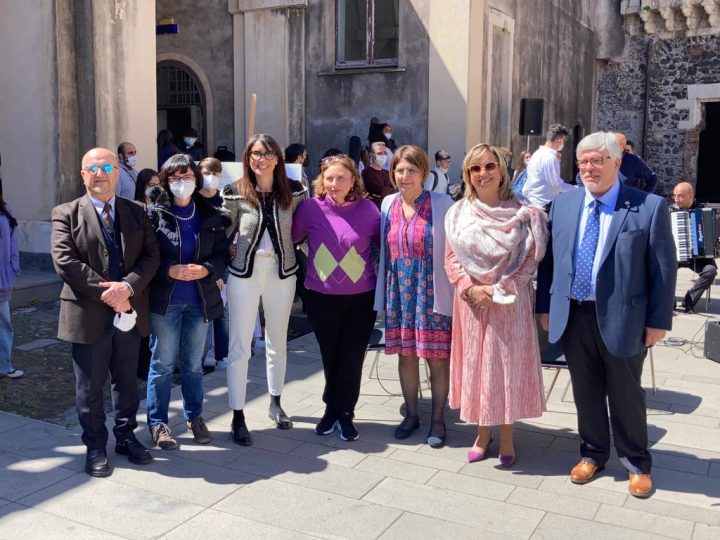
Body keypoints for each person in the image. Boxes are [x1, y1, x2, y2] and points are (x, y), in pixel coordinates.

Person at [536, 131, 677, 498]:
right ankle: (593, 453)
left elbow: (663, 268)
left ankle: (636, 462)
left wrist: (659, 320)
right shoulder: (563, 205)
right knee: (585, 390)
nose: (589, 168)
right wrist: (546, 306)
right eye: (583, 161)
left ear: (617, 162)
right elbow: (551, 262)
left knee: (626, 393)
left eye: (598, 160)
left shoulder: (647, 206)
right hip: (575, 315)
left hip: (625, 318)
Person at [51, 147, 161, 477]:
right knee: (90, 385)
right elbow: (65, 262)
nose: (100, 173)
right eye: (92, 168)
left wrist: (126, 288)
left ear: (117, 173)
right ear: (83, 175)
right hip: (88, 314)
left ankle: (126, 437)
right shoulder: (65, 213)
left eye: (106, 167)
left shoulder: (136, 212)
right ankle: (96, 445)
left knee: (127, 381)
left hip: (129, 310)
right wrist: (110, 293)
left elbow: (151, 257)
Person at [445, 143, 548, 467]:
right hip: (472, 304)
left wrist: (500, 288)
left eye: (489, 166)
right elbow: (451, 259)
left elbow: (530, 260)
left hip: (510, 304)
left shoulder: (523, 212)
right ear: (468, 173)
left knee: (505, 368)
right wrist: (469, 289)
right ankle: (481, 432)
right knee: (478, 368)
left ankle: (506, 435)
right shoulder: (457, 212)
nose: (483, 174)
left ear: (501, 169)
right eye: (475, 168)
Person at [222, 133, 307, 446]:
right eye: (255, 153)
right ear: (248, 158)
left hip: (281, 272)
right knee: (240, 346)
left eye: (268, 153)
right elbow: (222, 229)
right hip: (245, 273)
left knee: (277, 341)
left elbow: (305, 225)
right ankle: (237, 414)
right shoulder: (234, 192)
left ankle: (276, 401)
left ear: (278, 158)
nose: (261, 159)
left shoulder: (295, 191)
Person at [292, 155, 380, 441]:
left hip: (361, 299)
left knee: (352, 357)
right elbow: (291, 238)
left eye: (341, 178)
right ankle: (331, 408)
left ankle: (346, 413)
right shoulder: (309, 209)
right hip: (321, 297)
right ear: (321, 180)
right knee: (330, 356)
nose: (334, 184)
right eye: (329, 178)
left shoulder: (369, 210)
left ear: (353, 180)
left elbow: (385, 245)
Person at [144, 154, 228, 450]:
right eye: (175, 178)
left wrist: (206, 269)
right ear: (166, 181)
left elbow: (221, 256)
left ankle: (194, 416)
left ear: (196, 178)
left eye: (187, 176)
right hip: (165, 301)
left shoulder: (209, 214)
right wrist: (168, 269)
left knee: (193, 365)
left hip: (199, 300)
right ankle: (158, 423)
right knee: (163, 363)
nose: (182, 183)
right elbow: (145, 257)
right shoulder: (155, 215)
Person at [374, 145, 454, 448]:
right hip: (399, 293)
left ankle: (437, 418)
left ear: (423, 173)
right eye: (399, 170)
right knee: (406, 357)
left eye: (412, 170)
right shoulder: (387, 204)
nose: (405, 176)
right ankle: (410, 414)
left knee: (436, 360)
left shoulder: (443, 203)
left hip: (431, 292)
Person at [198, 157, 230, 370]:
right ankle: (200, 355)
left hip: (222, 261)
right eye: (207, 173)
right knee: (199, 311)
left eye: (215, 173)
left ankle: (222, 354)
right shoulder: (193, 200)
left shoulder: (225, 200)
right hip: (200, 262)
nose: (211, 177)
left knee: (222, 310)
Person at [670, 181, 717, 313]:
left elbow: (713, 235)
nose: (676, 199)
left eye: (680, 196)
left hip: (699, 257)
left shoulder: (702, 211)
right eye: (675, 196)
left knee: (710, 271)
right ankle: (669, 301)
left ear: (691, 196)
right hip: (676, 254)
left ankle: (689, 300)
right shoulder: (669, 212)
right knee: (663, 268)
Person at [521, 124, 573, 208]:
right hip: (545, 204)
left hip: (533, 202)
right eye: (564, 140)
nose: (563, 144)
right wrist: (576, 189)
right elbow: (556, 186)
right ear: (559, 140)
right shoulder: (551, 158)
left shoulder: (536, 154)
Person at [0, 192, 22, 379]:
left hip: (2, 281)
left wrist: (13, 269)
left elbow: (13, 244)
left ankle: (4, 366)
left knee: (4, 325)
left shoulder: (5, 212)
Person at [362, 141, 395, 208]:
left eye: (385, 153)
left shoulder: (386, 173)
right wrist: (391, 190)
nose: (383, 156)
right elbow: (380, 191)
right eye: (379, 153)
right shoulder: (367, 172)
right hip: (373, 209)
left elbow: (395, 190)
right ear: (371, 155)